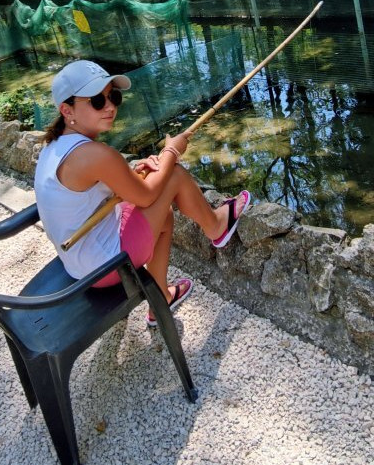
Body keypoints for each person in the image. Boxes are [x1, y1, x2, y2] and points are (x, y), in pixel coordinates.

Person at [34, 59, 250, 326]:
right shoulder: (92, 154)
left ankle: (160, 299)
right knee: (173, 175)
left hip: (80, 262)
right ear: (67, 110)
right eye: (97, 101)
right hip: (104, 267)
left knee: (164, 215)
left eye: (112, 96)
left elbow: (103, 189)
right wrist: (172, 150)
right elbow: (146, 196)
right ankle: (217, 226)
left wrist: (134, 172)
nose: (111, 106)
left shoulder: (55, 145)